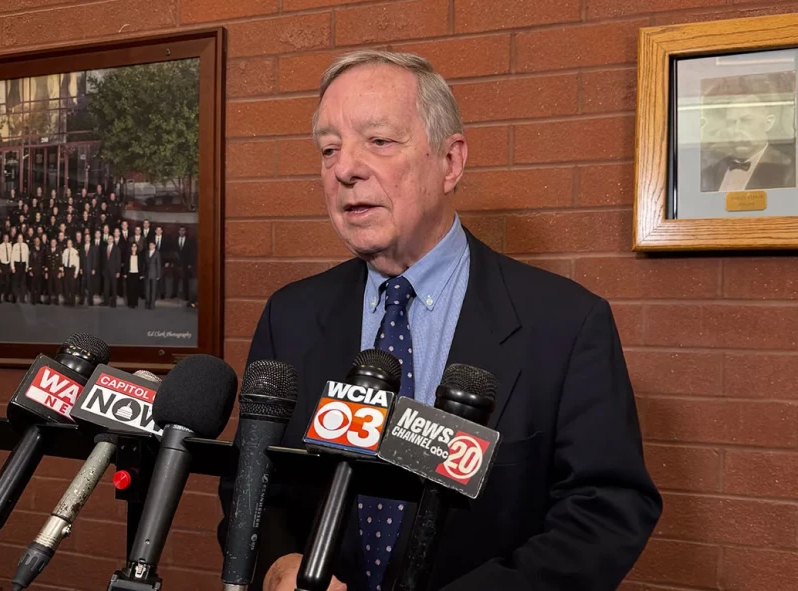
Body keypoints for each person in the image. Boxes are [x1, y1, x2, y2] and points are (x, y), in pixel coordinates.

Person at [217, 50, 661, 591]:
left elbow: (606, 511)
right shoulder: (291, 314)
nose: (345, 168)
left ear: (450, 163)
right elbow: (250, 482)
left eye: (378, 142)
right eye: (329, 149)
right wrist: (281, 565)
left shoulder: (566, 323)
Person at [102, 235, 121, 308]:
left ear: (113, 240)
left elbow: (118, 261)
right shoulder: (105, 248)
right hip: (106, 271)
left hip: (114, 270)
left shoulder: (116, 249)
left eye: (111, 239)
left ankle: (113, 303)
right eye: (108, 239)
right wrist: (103, 270)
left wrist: (118, 271)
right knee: (106, 287)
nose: (109, 240)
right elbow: (103, 260)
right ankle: (106, 301)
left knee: (114, 287)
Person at [0, 234, 14, 303]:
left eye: (7, 238)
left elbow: (11, 257)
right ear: (3, 239)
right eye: (5, 238)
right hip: (2, 266)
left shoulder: (10, 246)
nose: (6, 239)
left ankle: (6, 297)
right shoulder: (0, 246)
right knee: (0, 283)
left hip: (8, 265)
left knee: (8, 283)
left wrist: (12, 267)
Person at [61, 238, 80, 307]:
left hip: (72, 270)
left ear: (72, 244)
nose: (69, 245)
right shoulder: (65, 251)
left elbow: (77, 263)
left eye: (70, 243)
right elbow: (62, 262)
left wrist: (76, 272)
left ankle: (72, 301)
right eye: (67, 243)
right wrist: (62, 271)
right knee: (66, 286)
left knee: (72, 286)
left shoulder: (75, 252)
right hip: (66, 269)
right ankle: (67, 300)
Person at [12, 234, 30, 303]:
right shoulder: (15, 246)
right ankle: (15, 298)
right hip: (16, 265)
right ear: (17, 239)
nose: (20, 239)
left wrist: (27, 266)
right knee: (15, 282)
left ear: (23, 239)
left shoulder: (25, 246)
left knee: (23, 283)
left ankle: (22, 298)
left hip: (23, 265)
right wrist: (12, 267)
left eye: (21, 238)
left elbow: (27, 257)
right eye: (19, 238)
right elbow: (12, 257)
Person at [144, 239, 161, 310]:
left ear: (154, 246)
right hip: (147, 274)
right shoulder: (147, 252)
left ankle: (152, 305)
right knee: (147, 290)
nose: (150, 246)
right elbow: (144, 264)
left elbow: (158, 265)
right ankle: (147, 303)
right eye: (149, 245)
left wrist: (158, 275)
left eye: (152, 245)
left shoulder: (157, 253)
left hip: (154, 274)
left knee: (153, 290)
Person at [125, 242, 144, 308]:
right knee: (130, 288)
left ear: (137, 248)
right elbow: (126, 265)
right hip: (130, 273)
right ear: (131, 248)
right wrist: (125, 273)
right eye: (132, 246)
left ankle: (135, 303)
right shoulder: (128, 255)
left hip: (137, 273)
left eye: (135, 246)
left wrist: (141, 274)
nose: (134, 248)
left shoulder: (139, 255)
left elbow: (141, 265)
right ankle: (130, 303)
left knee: (136, 289)